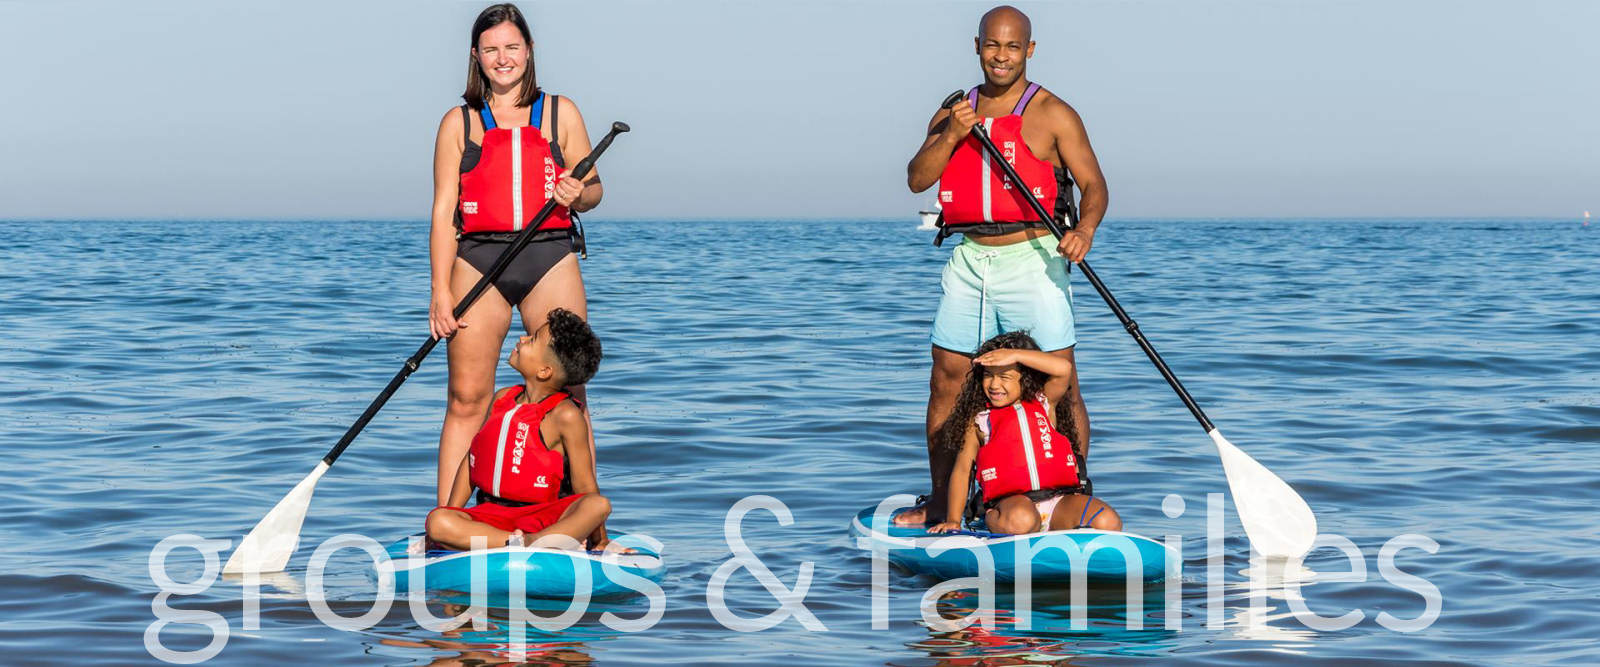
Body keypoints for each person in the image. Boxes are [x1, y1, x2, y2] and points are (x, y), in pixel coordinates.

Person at [899, 5, 1110, 525]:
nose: (1001, 56)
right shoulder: (954, 111)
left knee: (1063, 385)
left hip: (1035, 258)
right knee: (947, 379)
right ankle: (940, 502)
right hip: (971, 259)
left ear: (1029, 51)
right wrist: (952, 134)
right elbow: (916, 178)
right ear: (977, 46)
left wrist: (1084, 229)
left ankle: (1074, 494)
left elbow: (1095, 186)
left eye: (1013, 47)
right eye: (993, 45)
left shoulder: (1055, 114)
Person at [428, 3, 604, 505]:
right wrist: (440, 291)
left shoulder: (559, 112)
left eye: (511, 47)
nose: (502, 58)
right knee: (467, 399)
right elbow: (444, 214)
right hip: (477, 262)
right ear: (476, 57)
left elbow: (594, 192)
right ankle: (448, 524)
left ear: (528, 51)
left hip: (548, 256)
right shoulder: (457, 123)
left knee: (569, 396)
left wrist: (579, 194)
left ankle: (584, 524)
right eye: (490, 49)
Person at [426, 308, 612, 550]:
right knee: (439, 521)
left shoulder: (565, 415)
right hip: (492, 516)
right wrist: (452, 510)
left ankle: (533, 541)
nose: (522, 339)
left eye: (532, 339)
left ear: (545, 371)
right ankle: (521, 544)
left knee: (598, 505)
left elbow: (585, 486)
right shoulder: (503, 398)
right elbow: (473, 459)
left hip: (545, 518)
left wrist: (601, 540)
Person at [930, 332, 1120, 535]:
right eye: (988, 375)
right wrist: (952, 521)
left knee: (1108, 521)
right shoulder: (979, 422)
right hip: (1012, 508)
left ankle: (1055, 533)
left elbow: (1064, 368)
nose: (994, 385)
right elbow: (961, 471)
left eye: (1004, 377)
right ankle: (989, 521)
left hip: (1058, 503)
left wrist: (1016, 355)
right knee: (1022, 520)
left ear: (1026, 378)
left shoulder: (1045, 402)